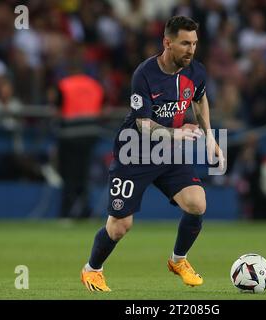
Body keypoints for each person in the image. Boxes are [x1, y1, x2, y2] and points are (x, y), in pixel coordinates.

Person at [80, 16, 225, 292]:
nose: (191, 50)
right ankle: (92, 269)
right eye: (185, 43)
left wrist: (210, 138)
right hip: (134, 153)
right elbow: (143, 125)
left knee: (197, 203)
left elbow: (200, 98)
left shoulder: (196, 71)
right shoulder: (145, 74)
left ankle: (178, 260)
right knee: (120, 226)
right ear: (167, 42)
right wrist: (178, 133)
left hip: (167, 152)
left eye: (194, 43)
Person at [54, 68, 104, 219]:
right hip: (90, 134)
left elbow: (57, 109)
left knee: (69, 175)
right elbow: (101, 107)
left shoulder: (64, 85)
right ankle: (84, 210)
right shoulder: (94, 85)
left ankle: (67, 211)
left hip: (69, 135)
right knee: (83, 174)